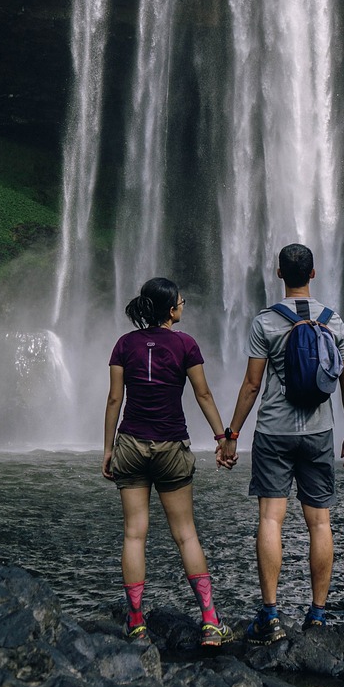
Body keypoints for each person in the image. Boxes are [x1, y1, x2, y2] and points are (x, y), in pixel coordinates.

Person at [220, 243, 344, 641]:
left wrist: (231, 434)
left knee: (270, 519)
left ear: (278, 273)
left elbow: (251, 385)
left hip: (274, 431)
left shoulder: (266, 321)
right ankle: (317, 614)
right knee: (319, 522)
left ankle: (271, 615)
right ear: (313, 274)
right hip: (318, 432)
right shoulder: (334, 322)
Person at [102, 276, 235, 646]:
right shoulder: (185, 345)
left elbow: (115, 400)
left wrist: (109, 448)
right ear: (170, 310)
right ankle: (210, 623)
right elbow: (203, 394)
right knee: (186, 533)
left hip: (130, 443)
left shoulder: (124, 345)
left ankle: (137, 623)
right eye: (181, 300)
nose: (183, 304)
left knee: (134, 533)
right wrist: (223, 438)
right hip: (172, 446)